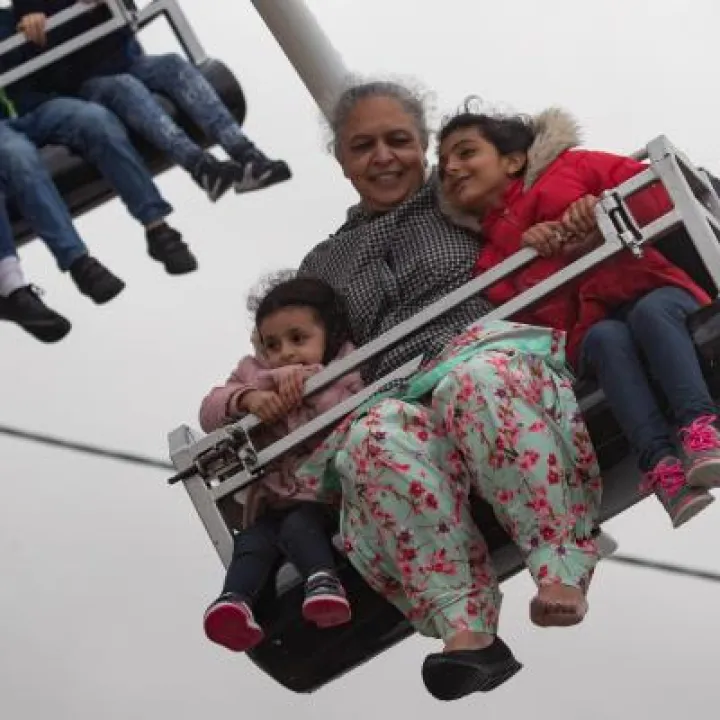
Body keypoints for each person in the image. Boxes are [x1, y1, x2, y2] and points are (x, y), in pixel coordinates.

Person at [284, 80, 604, 701]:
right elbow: (300, 345)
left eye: (398, 141)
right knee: (369, 441)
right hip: (396, 394)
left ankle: (561, 562)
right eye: (364, 146)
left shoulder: (457, 195)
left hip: (484, 351)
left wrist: (572, 215)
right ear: (342, 160)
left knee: (472, 383)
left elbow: (539, 184)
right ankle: (466, 628)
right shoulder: (323, 264)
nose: (383, 157)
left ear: (423, 145)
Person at [438, 105, 720, 529]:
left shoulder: (576, 168)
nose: (451, 169)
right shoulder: (492, 261)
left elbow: (660, 195)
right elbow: (534, 323)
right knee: (607, 340)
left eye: (465, 153)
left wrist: (603, 210)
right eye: (443, 166)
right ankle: (661, 467)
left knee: (650, 313)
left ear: (512, 160)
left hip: (654, 288)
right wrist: (539, 256)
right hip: (590, 328)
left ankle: (700, 428)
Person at [198, 276, 363, 652]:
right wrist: (248, 398)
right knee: (252, 540)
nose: (285, 353)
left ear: (328, 335)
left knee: (299, 526)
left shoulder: (346, 363)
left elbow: (347, 414)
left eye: (298, 339)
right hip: (273, 499)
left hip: (326, 495)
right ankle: (234, 602)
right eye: (272, 345)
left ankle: (322, 580)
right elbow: (209, 410)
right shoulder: (251, 372)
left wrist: (310, 384)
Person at [13, 0, 291, 202]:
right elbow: (37, 51)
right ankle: (201, 167)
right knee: (126, 87)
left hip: (125, 60)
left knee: (173, 65)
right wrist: (42, 21)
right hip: (85, 83)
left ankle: (247, 155)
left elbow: (127, 14)